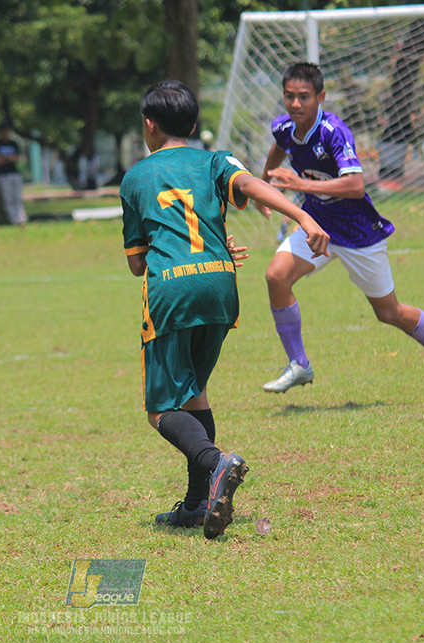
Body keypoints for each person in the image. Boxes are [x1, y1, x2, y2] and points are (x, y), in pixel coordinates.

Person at [120, 79, 329, 538]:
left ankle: (216, 462)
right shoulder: (216, 160)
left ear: (149, 126)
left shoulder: (136, 178)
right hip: (220, 283)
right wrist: (303, 215)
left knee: (160, 410)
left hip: (172, 292)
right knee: (195, 392)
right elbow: (250, 184)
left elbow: (138, 263)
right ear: (193, 125)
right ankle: (196, 505)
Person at [258, 62, 424, 402]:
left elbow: (357, 185)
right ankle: (299, 363)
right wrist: (264, 185)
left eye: (304, 97)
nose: (296, 104)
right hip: (317, 224)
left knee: (389, 312)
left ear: (321, 97)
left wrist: (299, 183)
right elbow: (279, 148)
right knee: (276, 276)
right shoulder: (285, 127)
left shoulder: (334, 131)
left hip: (359, 233)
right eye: (289, 96)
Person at [0, 122, 28, 226]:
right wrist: (8, 158)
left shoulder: (13, 144)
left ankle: (22, 219)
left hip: (14, 173)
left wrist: (5, 158)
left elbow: (17, 158)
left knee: (18, 198)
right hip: (3, 175)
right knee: (9, 199)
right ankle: (14, 220)